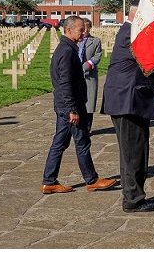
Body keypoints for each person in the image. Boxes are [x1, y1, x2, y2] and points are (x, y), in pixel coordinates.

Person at [101, 0, 154, 213]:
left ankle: (133, 195)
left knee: (136, 151)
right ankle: (133, 200)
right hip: (127, 102)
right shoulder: (130, 35)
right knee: (133, 153)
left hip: (131, 102)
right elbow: (153, 56)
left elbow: (148, 69)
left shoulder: (132, 34)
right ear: (137, 17)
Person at [41, 16, 116, 194]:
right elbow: (65, 82)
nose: (84, 32)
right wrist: (72, 109)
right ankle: (91, 180)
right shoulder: (67, 51)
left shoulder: (66, 48)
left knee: (61, 143)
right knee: (81, 142)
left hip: (66, 106)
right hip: (70, 107)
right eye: (80, 29)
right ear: (68, 30)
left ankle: (49, 180)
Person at [79, 18, 103, 132]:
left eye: (88, 27)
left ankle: (87, 127)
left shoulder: (95, 41)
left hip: (90, 75)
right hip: (77, 75)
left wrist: (88, 64)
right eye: (84, 27)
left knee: (89, 102)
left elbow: (98, 55)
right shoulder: (75, 41)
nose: (86, 30)